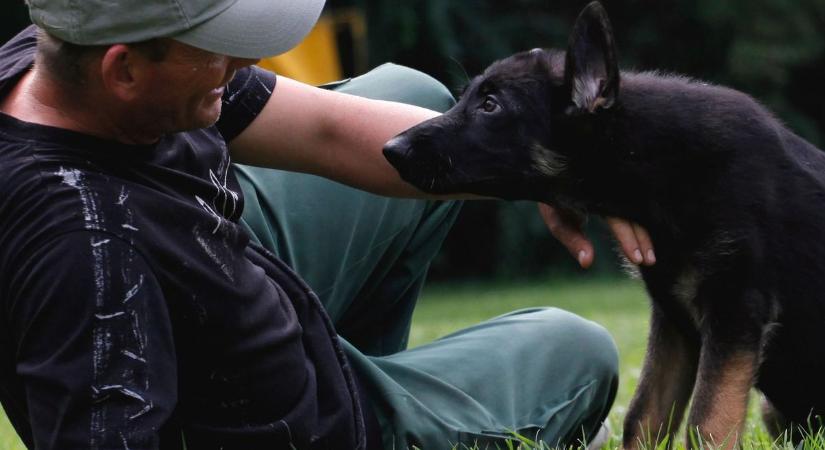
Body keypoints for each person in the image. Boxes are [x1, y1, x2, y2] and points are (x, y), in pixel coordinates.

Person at [0, 0, 655, 448]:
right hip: (292, 424)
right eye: (220, 48)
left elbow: (327, 130)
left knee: (416, 105)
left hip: (229, 301)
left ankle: (374, 371)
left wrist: (564, 171)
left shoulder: (61, 61)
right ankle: (391, 414)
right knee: (574, 353)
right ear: (125, 70)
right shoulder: (84, 247)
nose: (243, 62)